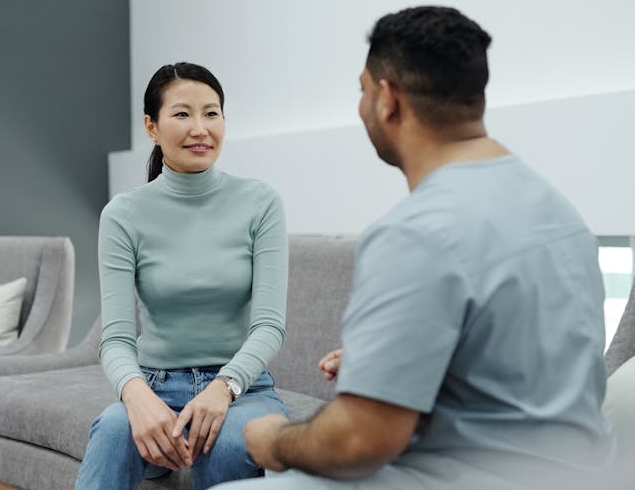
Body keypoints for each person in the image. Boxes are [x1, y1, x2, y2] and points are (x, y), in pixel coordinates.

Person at [211, 6, 614, 490]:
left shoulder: (416, 232)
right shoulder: (561, 212)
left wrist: (274, 439)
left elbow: (357, 442)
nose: (361, 105)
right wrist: (388, 357)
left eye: (362, 90)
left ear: (388, 99)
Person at [74, 62, 290, 490]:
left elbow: (269, 326)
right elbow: (116, 338)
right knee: (113, 430)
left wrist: (223, 387)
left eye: (212, 113)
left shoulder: (260, 202)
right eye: (182, 114)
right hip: (155, 384)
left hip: (243, 388)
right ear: (151, 127)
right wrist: (136, 397)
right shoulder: (123, 214)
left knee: (230, 443)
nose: (200, 128)